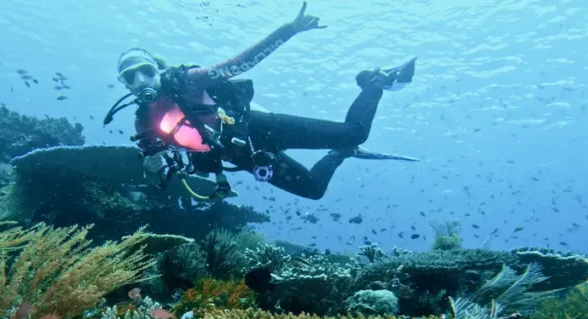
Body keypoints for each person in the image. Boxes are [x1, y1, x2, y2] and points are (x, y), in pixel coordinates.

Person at [105, 2, 418, 201]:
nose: (140, 80)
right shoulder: (143, 121)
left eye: (145, 71)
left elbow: (237, 64)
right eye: (130, 77)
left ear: (157, 70)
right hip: (245, 156)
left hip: (259, 128)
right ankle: (341, 154)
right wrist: (151, 167)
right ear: (125, 84)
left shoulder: (186, 79)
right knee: (313, 189)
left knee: (355, 132)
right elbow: (155, 167)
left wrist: (288, 30)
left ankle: (376, 81)